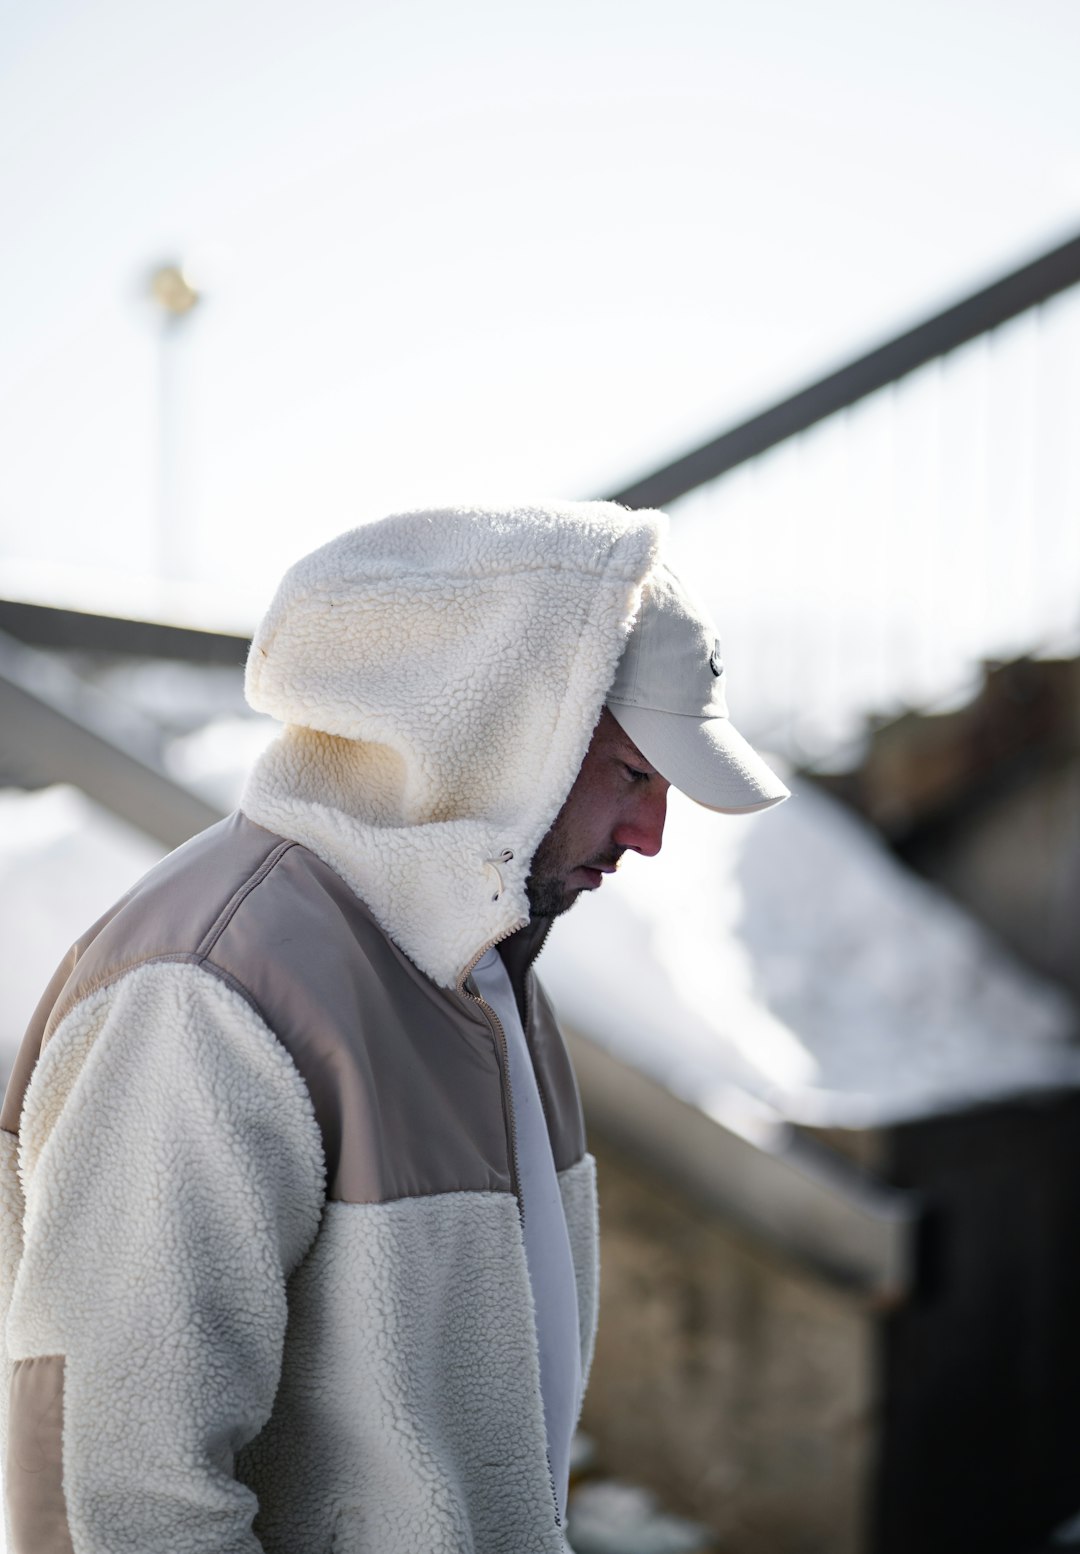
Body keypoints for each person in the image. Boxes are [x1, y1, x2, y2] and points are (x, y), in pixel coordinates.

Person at [0, 500, 788, 1554]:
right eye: (633, 775)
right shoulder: (201, 993)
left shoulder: (483, 976)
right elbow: (116, 1497)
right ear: (499, 739)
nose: (650, 835)